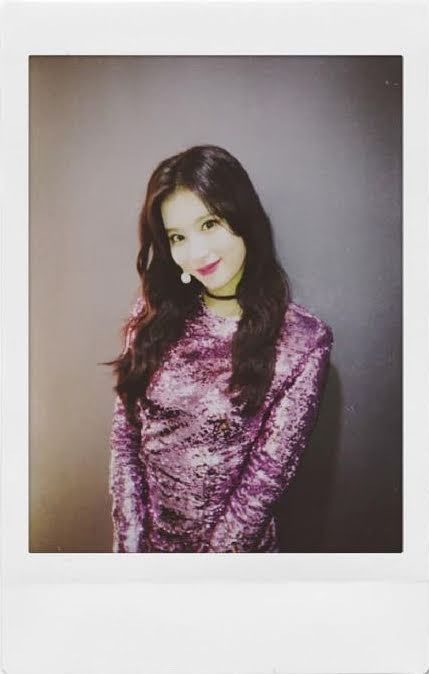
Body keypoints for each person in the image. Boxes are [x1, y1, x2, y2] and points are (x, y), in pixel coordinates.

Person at [107, 144, 333, 553]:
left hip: (234, 562)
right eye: (178, 237)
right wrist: (131, 554)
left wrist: (206, 576)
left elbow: (262, 487)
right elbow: (126, 442)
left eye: (209, 224)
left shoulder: (301, 342)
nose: (197, 253)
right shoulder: (152, 314)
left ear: (242, 217)